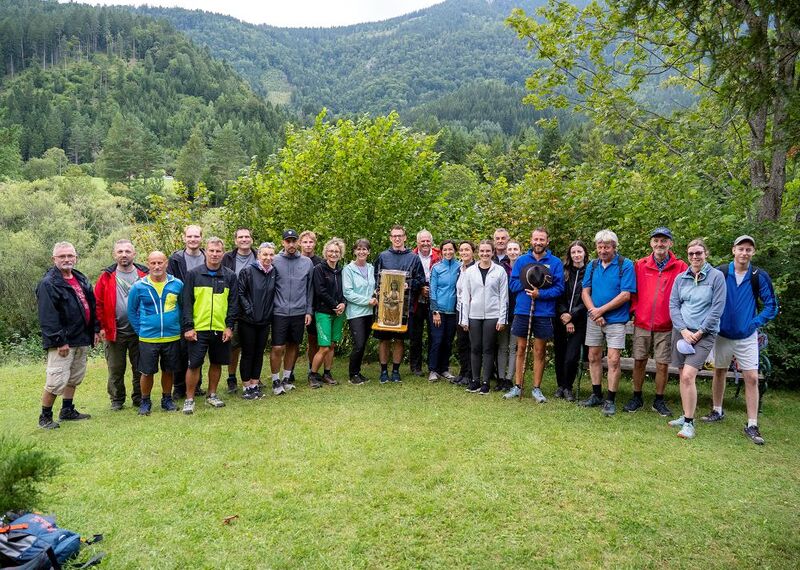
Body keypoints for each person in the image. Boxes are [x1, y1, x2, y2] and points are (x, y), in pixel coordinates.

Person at [702, 235, 778, 445]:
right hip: (721, 333)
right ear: (733, 250)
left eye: (748, 249)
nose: (744, 253)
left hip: (746, 336)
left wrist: (754, 323)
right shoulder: (720, 272)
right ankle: (717, 410)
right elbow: (705, 297)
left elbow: (771, 305)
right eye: (741, 248)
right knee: (719, 372)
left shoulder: (758, 276)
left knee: (751, 377)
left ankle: (752, 424)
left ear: (753, 252)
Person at [624, 227, 687, 416]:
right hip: (642, 322)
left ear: (670, 243)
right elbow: (632, 291)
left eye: (664, 240)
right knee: (639, 361)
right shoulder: (640, 265)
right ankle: (637, 397)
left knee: (662, 364)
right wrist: (635, 310)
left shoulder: (680, 266)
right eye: (656, 240)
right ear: (651, 243)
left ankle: (659, 400)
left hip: (666, 324)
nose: (660, 244)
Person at [667, 239, 726, 439]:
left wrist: (700, 332)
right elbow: (673, 305)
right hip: (682, 333)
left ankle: (689, 424)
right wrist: (683, 330)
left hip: (704, 334)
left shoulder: (716, 277)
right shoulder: (680, 278)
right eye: (691, 253)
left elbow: (717, 308)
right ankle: (685, 415)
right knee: (682, 375)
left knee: (688, 376)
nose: (695, 256)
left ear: (706, 254)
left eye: (698, 253)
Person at [36, 242, 98, 429]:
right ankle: (45, 416)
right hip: (63, 341)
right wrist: (59, 341)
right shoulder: (48, 283)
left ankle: (67, 410)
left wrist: (95, 330)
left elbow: (90, 305)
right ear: (53, 259)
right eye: (62, 256)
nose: (66, 259)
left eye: (70, 256)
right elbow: (48, 316)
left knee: (74, 377)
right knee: (56, 380)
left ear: (76, 258)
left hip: (81, 337)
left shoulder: (80, 278)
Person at [578, 229, 636, 416]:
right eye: (600, 247)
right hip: (594, 319)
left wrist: (601, 311)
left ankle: (610, 399)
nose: (603, 251)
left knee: (613, 360)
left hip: (616, 320)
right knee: (593, 356)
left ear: (614, 247)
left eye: (607, 247)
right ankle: (596, 394)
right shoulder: (593, 265)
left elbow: (626, 295)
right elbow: (585, 292)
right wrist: (594, 313)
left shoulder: (625, 265)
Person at [504, 228, 565, 401]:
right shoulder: (522, 260)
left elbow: (559, 288)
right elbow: (513, 284)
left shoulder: (555, 262)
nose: (538, 242)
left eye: (542, 239)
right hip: (523, 310)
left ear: (547, 241)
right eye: (536, 239)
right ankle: (518, 386)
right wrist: (529, 283)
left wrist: (541, 294)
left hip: (544, 312)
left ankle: (536, 388)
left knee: (539, 350)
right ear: (531, 240)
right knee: (521, 348)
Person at [181, 237, 238, 414]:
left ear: (223, 253)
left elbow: (233, 303)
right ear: (205, 252)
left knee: (217, 362)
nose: (214, 254)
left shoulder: (230, 276)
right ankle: (189, 399)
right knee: (194, 364)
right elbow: (186, 302)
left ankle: (212, 394)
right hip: (198, 329)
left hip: (220, 328)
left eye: (218, 251)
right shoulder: (193, 274)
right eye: (211, 251)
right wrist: (188, 327)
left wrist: (229, 326)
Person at [94, 239, 148, 411]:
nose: (124, 255)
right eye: (120, 252)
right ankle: (117, 399)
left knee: (140, 367)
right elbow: (98, 303)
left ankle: (139, 397)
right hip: (114, 331)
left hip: (140, 330)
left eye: (127, 251)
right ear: (114, 254)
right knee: (115, 368)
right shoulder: (106, 276)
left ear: (134, 254)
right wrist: (101, 327)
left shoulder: (144, 274)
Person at [127, 251, 183, 415]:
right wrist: (141, 330)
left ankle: (167, 399)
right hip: (148, 338)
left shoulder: (177, 284)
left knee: (169, 370)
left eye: (160, 262)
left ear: (166, 263)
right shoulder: (139, 286)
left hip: (172, 336)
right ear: (148, 264)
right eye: (153, 263)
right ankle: (145, 401)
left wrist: (178, 326)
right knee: (147, 371)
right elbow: (131, 311)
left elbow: (182, 307)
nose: (157, 266)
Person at [373, 225, 425, 383]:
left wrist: (409, 285)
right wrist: (377, 291)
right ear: (390, 238)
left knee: (399, 340)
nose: (397, 238)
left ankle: (395, 371)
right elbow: (375, 278)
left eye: (400, 236)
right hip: (385, 306)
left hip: (404, 307)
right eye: (394, 236)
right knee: (384, 340)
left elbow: (421, 279)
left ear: (405, 237)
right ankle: (383, 371)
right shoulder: (383, 256)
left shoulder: (413, 258)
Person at [459, 240, 508, 394]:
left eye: (488, 251)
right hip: (474, 314)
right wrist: (464, 319)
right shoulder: (470, 271)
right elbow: (465, 297)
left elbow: (504, 297)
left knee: (488, 348)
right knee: (475, 348)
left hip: (493, 315)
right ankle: (475, 381)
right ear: (478, 253)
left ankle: (486, 382)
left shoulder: (500, 271)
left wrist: (502, 318)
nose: (485, 254)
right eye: (482, 251)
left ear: (492, 252)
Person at [270, 229, 314, 388]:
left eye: (294, 241)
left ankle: (286, 378)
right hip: (279, 311)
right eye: (288, 241)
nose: (291, 244)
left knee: (293, 345)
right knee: (277, 347)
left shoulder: (307, 262)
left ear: (298, 242)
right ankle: (275, 379)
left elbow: (310, 289)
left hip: (299, 311)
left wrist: (308, 310)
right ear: (283, 242)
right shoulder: (274, 260)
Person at [169, 224, 206, 399]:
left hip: (203, 308)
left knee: (199, 347)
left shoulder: (207, 257)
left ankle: (196, 385)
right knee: (181, 350)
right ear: (184, 238)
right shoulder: (176, 259)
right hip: (181, 308)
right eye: (189, 236)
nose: (193, 239)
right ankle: (178, 387)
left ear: (201, 238)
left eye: (196, 236)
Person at [237, 242, 277, 400]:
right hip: (248, 320)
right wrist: (249, 310)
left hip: (265, 321)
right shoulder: (248, 271)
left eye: (271, 254)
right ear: (258, 255)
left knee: (259, 353)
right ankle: (246, 386)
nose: (268, 257)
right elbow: (240, 293)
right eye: (265, 254)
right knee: (248, 353)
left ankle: (254, 384)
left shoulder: (274, 272)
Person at [221, 227, 258, 394]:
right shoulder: (227, 258)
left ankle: (252, 376)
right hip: (234, 306)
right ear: (236, 240)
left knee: (252, 345)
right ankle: (231, 377)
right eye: (241, 237)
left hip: (255, 307)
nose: (244, 239)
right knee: (234, 345)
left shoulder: (258, 256)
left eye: (247, 236)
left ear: (251, 239)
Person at [553, 240, 589, 402]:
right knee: (560, 354)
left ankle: (568, 386)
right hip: (561, 319)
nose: (576, 255)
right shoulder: (564, 271)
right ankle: (560, 385)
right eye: (573, 252)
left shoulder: (590, 272)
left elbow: (587, 298)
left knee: (571, 356)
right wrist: (565, 317)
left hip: (580, 320)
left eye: (579, 251)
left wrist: (572, 316)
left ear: (585, 253)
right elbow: (558, 295)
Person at [309, 239, 347, 386]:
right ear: (326, 253)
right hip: (323, 312)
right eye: (331, 251)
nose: (333, 254)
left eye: (337, 251)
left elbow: (345, 290)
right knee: (324, 347)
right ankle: (313, 375)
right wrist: (335, 305)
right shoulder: (319, 269)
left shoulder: (342, 270)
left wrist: (343, 303)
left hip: (338, 312)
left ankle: (327, 373)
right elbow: (320, 291)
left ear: (341, 254)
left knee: (331, 345)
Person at [343, 239, 377, 384]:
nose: (361, 252)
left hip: (369, 312)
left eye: (364, 249)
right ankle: (353, 375)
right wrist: (367, 300)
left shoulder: (371, 268)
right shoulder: (348, 269)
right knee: (359, 344)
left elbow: (375, 287)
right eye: (359, 249)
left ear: (369, 252)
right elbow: (348, 293)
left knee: (363, 344)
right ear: (354, 251)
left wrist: (376, 295)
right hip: (355, 313)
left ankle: (358, 372)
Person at [409, 229, 441, 376]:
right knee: (416, 334)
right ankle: (416, 366)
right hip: (416, 299)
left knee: (434, 333)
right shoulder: (411, 256)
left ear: (431, 242)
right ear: (417, 242)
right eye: (423, 241)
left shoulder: (439, 255)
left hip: (435, 299)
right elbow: (407, 278)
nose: (425, 243)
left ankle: (433, 366)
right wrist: (420, 288)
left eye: (428, 240)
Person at [428, 240, 460, 381]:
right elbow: (432, 290)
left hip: (453, 311)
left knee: (448, 341)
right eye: (445, 250)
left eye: (450, 249)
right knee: (437, 340)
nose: (448, 252)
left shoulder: (460, 267)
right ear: (441, 252)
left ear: (455, 251)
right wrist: (435, 311)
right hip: (438, 311)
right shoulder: (436, 268)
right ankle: (433, 370)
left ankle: (444, 369)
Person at [496, 240, 522, 391]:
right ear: (506, 252)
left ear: (520, 251)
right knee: (502, 346)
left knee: (513, 347)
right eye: (510, 249)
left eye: (515, 249)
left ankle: (509, 378)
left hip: (518, 311)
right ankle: (500, 378)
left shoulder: (524, 267)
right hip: (503, 311)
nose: (512, 252)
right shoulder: (501, 268)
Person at [299, 230, 325, 379]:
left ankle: (312, 368)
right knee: (292, 341)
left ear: (315, 244)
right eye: (305, 242)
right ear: (299, 243)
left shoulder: (320, 262)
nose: (308, 245)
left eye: (311, 242)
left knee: (313, 339)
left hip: (316, 306)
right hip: (297, 304)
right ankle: (289, 372)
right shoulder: (295, 260)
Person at [453, 240, 476, 386]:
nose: (464, 252)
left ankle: (470, 373)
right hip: (459, 309)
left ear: (473, 251)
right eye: (461, 250)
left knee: (471, 342)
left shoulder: (476, 268)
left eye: (467, 249)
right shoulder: (459, 268)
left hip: (473, 310)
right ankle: (463, 371)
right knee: (461, 342)